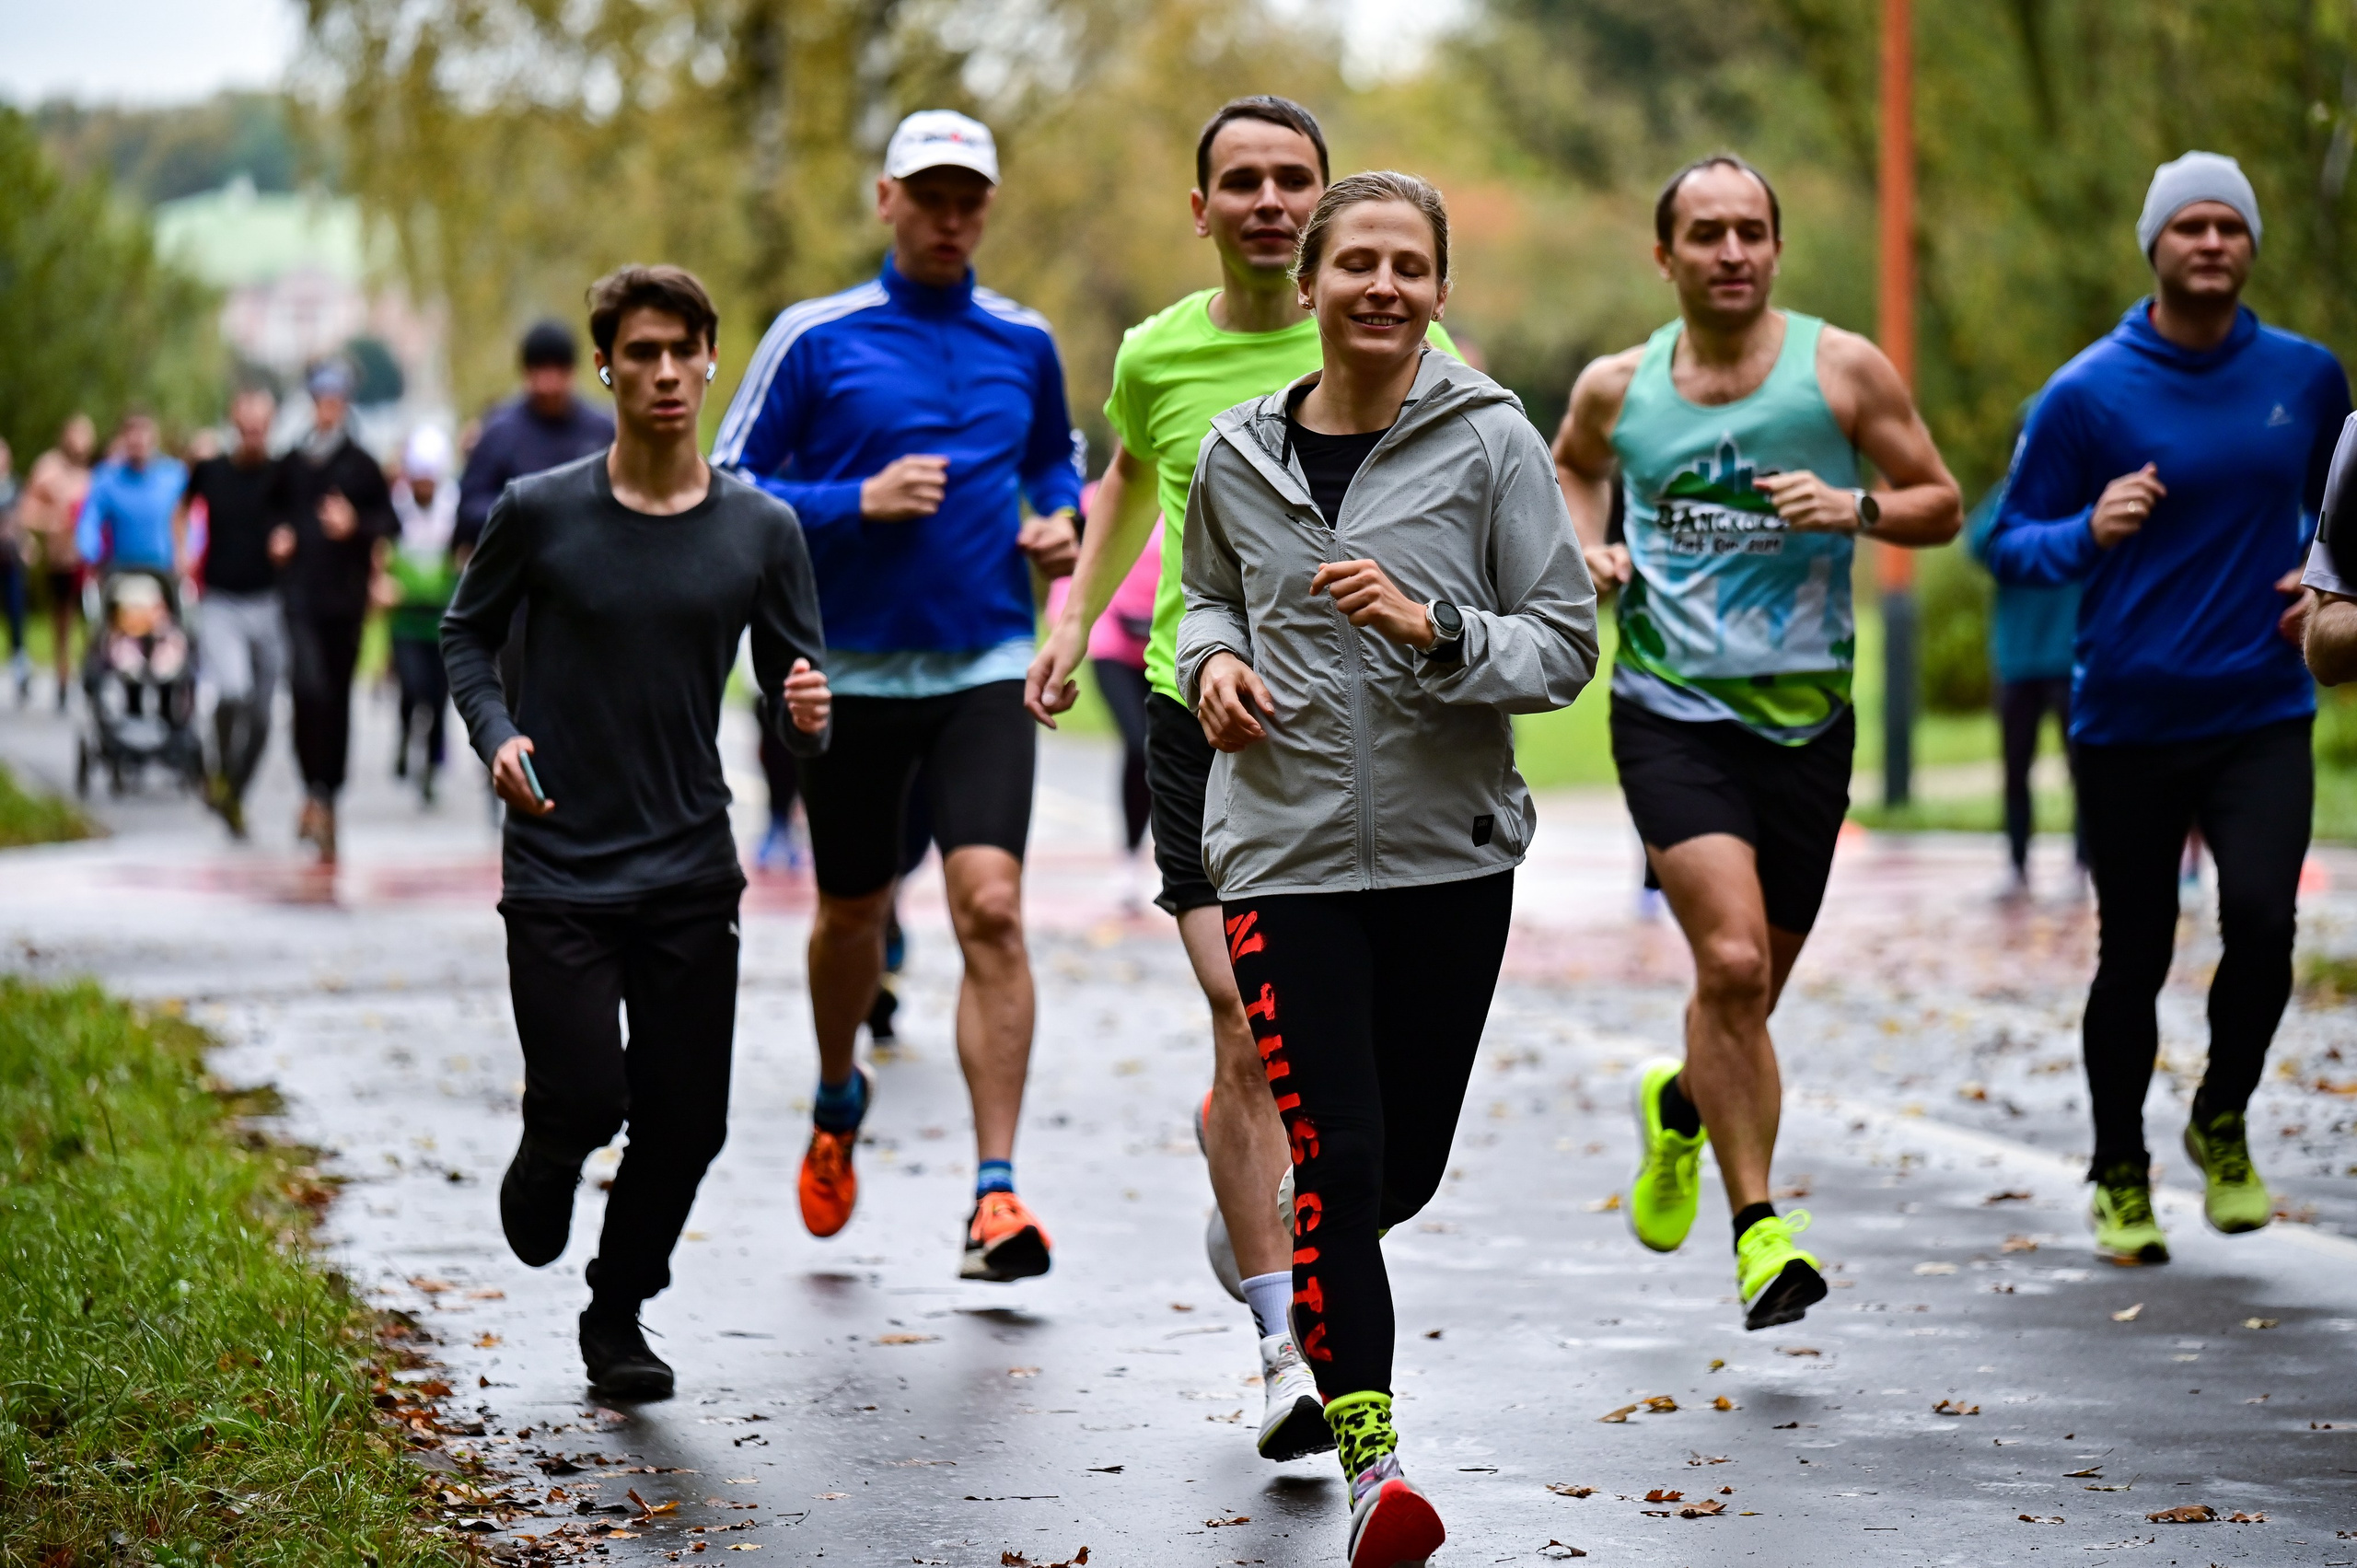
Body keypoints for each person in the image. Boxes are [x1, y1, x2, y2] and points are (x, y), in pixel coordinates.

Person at [1025, 98, 1457, 1463]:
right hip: (1198, 712)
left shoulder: (1413, 336)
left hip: (1365, 734)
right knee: (1238, 1009)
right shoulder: (1159, 352)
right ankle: (1282, 1342)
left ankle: (1275, 1206)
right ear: (1200, 207)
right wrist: (1066, 614)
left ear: (1328, 208)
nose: (1270, 201)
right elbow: (1125, 484)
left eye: (1295, 181)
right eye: (1243, 181)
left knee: (1355, 1072)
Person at [1180, 171, 1595, 1567]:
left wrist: (1433, 629)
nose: (1380, 286)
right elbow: (1205, 596)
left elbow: (1565, 641)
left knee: (1391, 1170)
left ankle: (1314, 1250)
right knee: (1342, 1157)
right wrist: (1214, 664)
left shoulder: (1491, 440)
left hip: (1447, 859)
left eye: (1407, 265)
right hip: (1282, 855)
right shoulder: (1239, 454)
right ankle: (1378, 1461)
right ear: (1308, 286)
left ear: (1438, 289)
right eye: (1354, 262)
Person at [1553, 154, 1962, 1330]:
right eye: (1705, 233)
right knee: (1729, 966)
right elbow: (1573, 467)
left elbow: (1938, 497)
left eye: (1749, 233)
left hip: (1807, 722)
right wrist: (1589, 547)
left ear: (1775, 249)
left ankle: (1680, 1103)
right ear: (1664, 255)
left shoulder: (1838, 370)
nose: (1729, 252)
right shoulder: (1618, 387)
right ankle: (1759, 1231)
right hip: (1670, 711)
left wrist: (1857, 508)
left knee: (1748, 993)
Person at [444, 264, 831, 1400]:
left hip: (686, 862)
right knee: (588, 1094)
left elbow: (795, 695)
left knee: (687, 1120)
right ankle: (553, 1140)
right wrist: (497, 733)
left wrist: (811, 719)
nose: (665, 372)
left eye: (685, 350)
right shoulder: (541, 511)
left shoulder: (762, 528)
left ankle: (617, 1308)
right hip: (559, 851)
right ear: (607, 365)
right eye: (642, 352)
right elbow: (465, 635)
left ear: (712, 359)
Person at [713, 109, 1083, 1282]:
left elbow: (1051, 460)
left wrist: (1058, 518)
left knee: (991, 908)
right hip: (850, 673)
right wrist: (851, 501)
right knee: (852, 917)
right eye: (929, 195)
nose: (951, 216)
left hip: (982, 662)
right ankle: (836, 1097)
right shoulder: (814, 338)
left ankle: (995, 1193)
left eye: (969, 196)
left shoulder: (1023, 340)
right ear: (886, 200)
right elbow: (726, 484)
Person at [1986, 152, 2349, 1262]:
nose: (2209, 242)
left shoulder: (2309, 375)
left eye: (2227, 226)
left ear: (2249, 244)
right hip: (2129, 718)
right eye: (2187, 225)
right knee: (2132, 953)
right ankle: (2118, 1170)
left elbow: (2342, 513)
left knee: (2266, 923)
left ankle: (2221, 1115)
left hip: (2260, 703)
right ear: (2154, 244)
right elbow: (2005, 541)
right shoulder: (2087, 390)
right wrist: (2084, 530)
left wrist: (2321, 572)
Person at [266, 361, 399, 864]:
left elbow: (389, 520)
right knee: (307, 687)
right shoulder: (293, 462)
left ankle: (329, 796)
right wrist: (276, 536)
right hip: (299, 595)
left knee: (337, 698)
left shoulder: (361, 464)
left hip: (345, 599)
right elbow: (271, 510)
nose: (330, 403)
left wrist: (355, 525)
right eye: (322, 395)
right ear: (312, 400)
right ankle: (311, 789)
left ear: (347, 401)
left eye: (338, 395)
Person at [1966, 395, 2084, 897]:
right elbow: (1975, 546)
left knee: (2084, 768)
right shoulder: (2007, 498)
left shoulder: (2085, 495)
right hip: (2016, 659)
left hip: (2072, 654)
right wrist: (2015, 486)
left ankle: (2083, 864)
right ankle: (2016, 865)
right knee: (2016, 769)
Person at [180, 388, 284, 837]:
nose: (254, 438)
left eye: (261, 429)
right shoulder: (211, 471)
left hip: (269, 602)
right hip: (221, 600)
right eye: (246, 429)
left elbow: (301, 513)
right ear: (234, 425)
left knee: (263, 716)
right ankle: (219, 765)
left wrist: (290, 540)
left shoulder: (284, 475)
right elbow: (182, 508)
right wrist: (183, 551)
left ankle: (235, 793)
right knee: (232, 691)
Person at [1042, 524, 1157, 904]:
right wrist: (1065, 623)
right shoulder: (1095, 500)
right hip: (1111, 638)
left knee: (1165, 748)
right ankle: (1128, 857)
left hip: (1166, 641)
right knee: (1139, 745)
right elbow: (1076, 568)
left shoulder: (1193, 488)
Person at [455, 320, 618, 551]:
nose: (548, 385)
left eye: (557, 371)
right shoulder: (499, 433)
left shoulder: (600, 430)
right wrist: (525, 514)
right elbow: (470, 508)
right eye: (540, 371)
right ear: (526, 373)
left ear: (571, 372)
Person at [388, 426, 460, 804]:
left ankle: (431, 766)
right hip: (404, 618)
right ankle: (403, 738)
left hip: (443, 619)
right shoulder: (396, 507)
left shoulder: (455, 506)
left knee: (437, 697)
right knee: (412, 688)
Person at [23, 414, 96, 710]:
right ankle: (63, 679)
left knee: (93, 619)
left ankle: (91, 674)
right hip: (61, 559)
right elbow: (27, 512)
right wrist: (51, 522)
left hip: (90, 561)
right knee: (62, 621)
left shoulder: (96, 472)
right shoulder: (48, 468)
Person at [78, 412, 188, 580]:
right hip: (120, 571)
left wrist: (186, 553)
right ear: (123, 438)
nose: (138, 440)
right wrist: (90, 551)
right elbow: (90, 519)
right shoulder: (107, 480)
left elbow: (189, 517)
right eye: (132, 433)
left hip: (164, 572)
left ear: (154, 437)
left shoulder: (174, 476)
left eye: (143, 432)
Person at [0, 438, 26, 702]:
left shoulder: (15, 486)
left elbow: (22, 519)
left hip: (11, 559)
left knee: (17, 615)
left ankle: (20, 668)